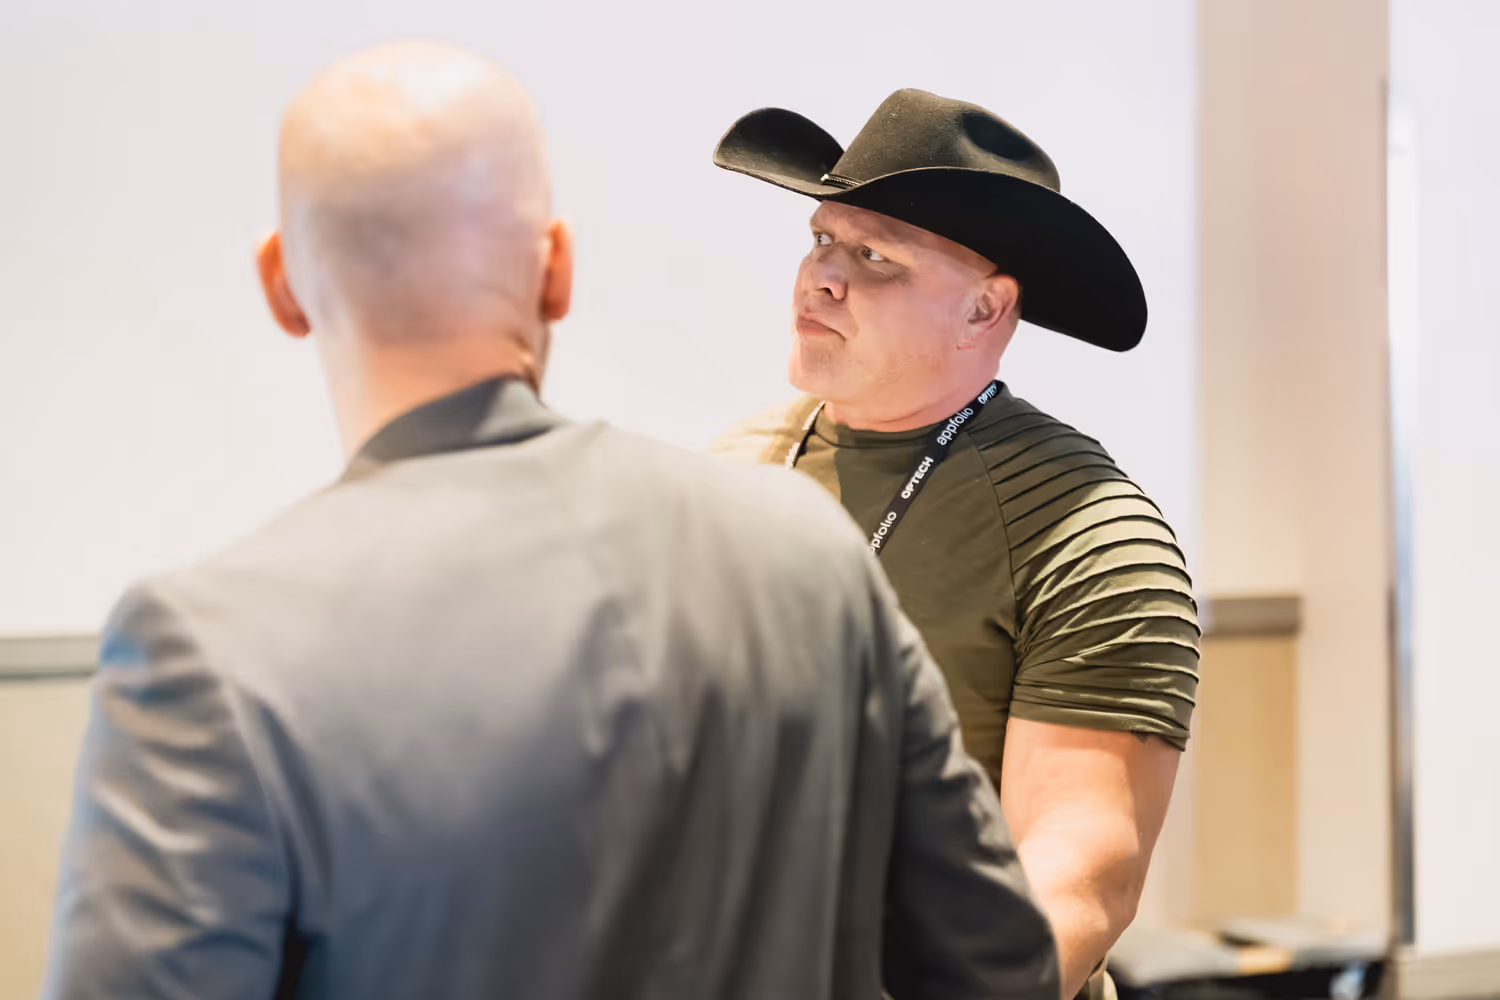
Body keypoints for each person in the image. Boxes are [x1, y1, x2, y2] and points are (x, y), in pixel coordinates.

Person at [41, 49, 1059, 1000]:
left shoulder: (207, 646)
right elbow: (997, 967)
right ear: (556, 270)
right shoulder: (811, 552)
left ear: (283, 287)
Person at [711, 89, 1202, 1000]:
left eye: (875, 256)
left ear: (985, 310)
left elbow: (1077, 885)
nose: (821, 277)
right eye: (821, 239)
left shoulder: (1088, 532)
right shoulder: (736, 469)